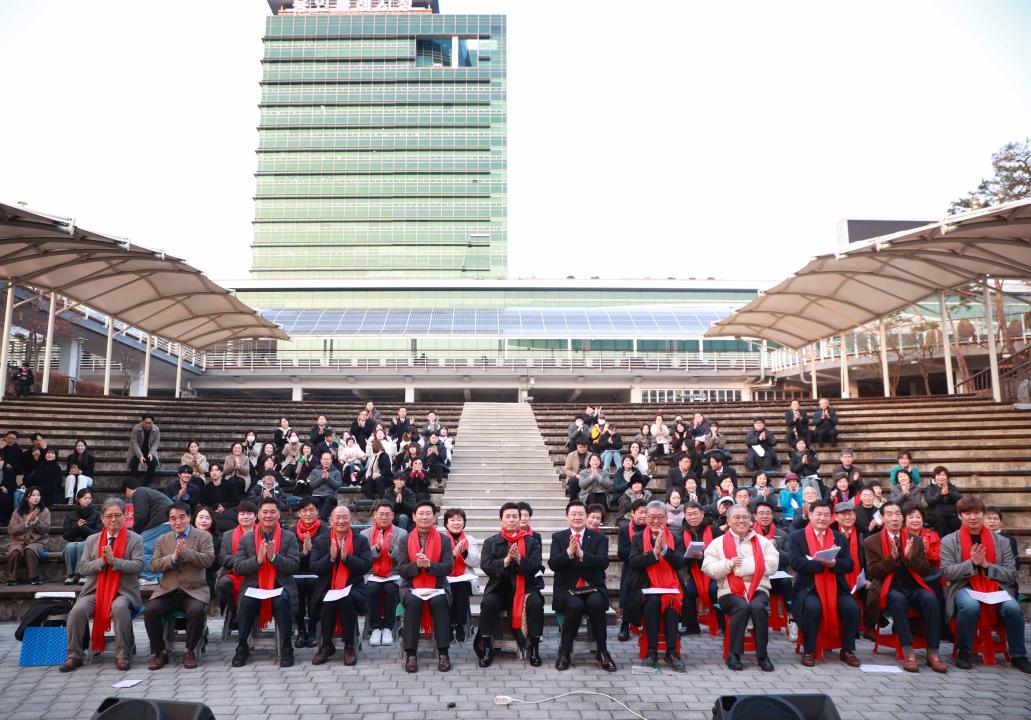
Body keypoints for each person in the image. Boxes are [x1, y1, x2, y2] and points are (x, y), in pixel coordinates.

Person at [940, 496, 1028, 673]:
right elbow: (948, 572)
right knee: (970, 606)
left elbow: (1011, 574)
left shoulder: (1002, 542)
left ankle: (1019, 655)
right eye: (967, 513)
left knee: (1013, 608)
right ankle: (965, 651)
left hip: (995, 588)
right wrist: (972, 563)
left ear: (983, 514)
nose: (973, 517)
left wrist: (986, 566)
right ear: (960, 516)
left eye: (977, 513)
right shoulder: (949, 541)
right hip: (964, 587)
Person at [60, 498, 144, 672]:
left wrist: (115, 562)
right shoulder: (92, 540)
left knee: (120, 608)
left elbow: (138, 565)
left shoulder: (135, 538)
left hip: (123, 591)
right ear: (102, 518)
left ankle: (122, 655)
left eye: (117, 515)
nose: (113, 519)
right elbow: (83, 568)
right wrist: (102, 562)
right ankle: (74, 655)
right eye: (109, 516)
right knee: (77, 610)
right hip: (96, 590)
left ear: (124, 516)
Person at [863, 501, 946, 673]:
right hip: (888, 587)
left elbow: (924, 569)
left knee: (931, 599)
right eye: (890, 514)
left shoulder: (914, 539)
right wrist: (891, 559)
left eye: (898, 514)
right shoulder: (872, 541)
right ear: (883, 518)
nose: (895, 518)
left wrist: (910, 558)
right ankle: (908, 653)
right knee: (897, 599)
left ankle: (933, 652)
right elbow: (874, 573)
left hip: (913, 585)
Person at [703, 503, 779, 671]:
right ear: (728, 521)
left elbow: (773, 564)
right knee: (742, 606)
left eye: (745, 517)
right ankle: (734, 653)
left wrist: (744, 568)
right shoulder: (718, 543)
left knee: (758, 607)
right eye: (736, 517)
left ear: (751, 520)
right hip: (729, 591)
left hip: (758, 588)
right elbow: (709, 569)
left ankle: (762, 654)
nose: (741, 521)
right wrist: (729, 564)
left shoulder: (762, 542)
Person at [788, 499, 861, 667]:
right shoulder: (797, 537)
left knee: (852, 608)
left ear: (832, 517)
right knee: (813, 607)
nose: (822, 518)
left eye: (826, 515)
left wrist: (835, 564)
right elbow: (795, 563)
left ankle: (847, 649)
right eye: (818, 514)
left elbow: (849, 565)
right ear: (811, 515)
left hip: (836, 587)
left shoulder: (839, 538)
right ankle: (809, 649)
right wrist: (819, 563)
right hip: (808, 587)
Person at [143, 502, 216, 670]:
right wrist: (173, 558)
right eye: (173, 518)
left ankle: (189, 651)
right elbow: (153, 565)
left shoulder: (203, 537)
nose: (178, 522)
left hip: (194, 589)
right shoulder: (163, 539)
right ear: (169, 521)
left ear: (189, 517)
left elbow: (209, 560)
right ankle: (159, 652)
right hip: (168, 590)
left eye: (182, 517)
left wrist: (187, 553)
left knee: (196, 611)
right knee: (150, 610)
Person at [231, 497, 301, 668]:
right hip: (254, 586)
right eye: (264, 512)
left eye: (272, 512)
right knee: (247, 601)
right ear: (258, 516)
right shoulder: (247, 539)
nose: (268, 515)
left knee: (282, 600)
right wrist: (259, 559)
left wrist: (274, 557)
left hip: (280, 585)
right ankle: (242, 645)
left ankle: (286, 645)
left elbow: (294, 566)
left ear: (279, 514)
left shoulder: (289, 537)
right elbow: (238, 568)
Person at [548, 500, 616, 672]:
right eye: (573, 514)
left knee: (596, 603)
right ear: (567, 517)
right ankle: (565, 651)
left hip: (592, 587)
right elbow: (553, 564)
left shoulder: (599, 538)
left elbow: (603, 563)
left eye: (581, 514)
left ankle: (602, 651)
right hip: (567, 590)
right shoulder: (559, 537)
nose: (577, 517)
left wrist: (582, 554)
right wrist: (569, 553)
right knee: (575, 605)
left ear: (586, 517)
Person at [475, 502, 544, 668]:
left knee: (535, 602)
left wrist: (520, 559)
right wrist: (506, 561)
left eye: (515, 516)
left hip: (525, 587)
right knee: (488, 603)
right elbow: (486, 565)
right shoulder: (491, 542)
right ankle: (487, 648)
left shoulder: (531, 542)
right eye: (508, 517)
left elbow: (536, 565)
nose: (512, 520)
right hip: (499, 588)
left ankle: (534, 648)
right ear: (501, 520)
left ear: (520, 519)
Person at [394, 501, 453, 673]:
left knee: (439, 602)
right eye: (421, 513)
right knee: (413, 602)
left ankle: (444, 653)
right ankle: (411, 654)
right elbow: (402, 570)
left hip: (438, 586)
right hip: (411, 587)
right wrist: (418, 566)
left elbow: (448, 567)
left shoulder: (444, 540)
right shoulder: (405, 539)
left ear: (434, 517)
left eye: (429, 513)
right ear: (414, 516)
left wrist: (429, 565)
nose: (425, 517)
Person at [627, 501, 687, 671]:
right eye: (652, 517)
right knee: (652, 602)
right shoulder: (638, 538)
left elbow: (680, 563)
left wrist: (666, 550)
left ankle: (671, 652)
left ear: (666, 518)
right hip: (646, 586)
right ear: (646, 518)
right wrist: (653, 553)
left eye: (660, 517)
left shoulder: (675, 538)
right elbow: (633, 562)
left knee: (670, 602)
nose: (656, 521)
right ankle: (652, 651)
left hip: (671, 586)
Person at [310, 505, 373, 666]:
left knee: (346, 600)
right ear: (331, 520)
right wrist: (330, 559)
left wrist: (347, 558)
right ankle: (326, 644)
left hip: (353, 587)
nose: (341, 521)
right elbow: (315, 568)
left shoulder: (361, 540)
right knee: (328, 601)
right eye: (337, 517)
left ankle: (349, 645)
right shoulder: (321, 540)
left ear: (350, 519)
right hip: (327, 587)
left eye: (345, 517)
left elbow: (366, 566)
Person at [361, 500, 408, 645]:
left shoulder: (402, 533)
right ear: (375, 515)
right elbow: (364, 558)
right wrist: (376, 548)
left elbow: (403, 558)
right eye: (381, 514)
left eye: (387, 514)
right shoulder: (365, 534)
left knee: (391, 589)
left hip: (393, 574)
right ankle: (375, 628)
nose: (384, 517)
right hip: (372, 573)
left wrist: (390, 549)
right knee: (373, 589)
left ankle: (388, 626)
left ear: (393, 515)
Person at [679, 501, 721, 636]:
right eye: (689, 514)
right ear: (685, 516)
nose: (693, 517)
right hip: (695, 573)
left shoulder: (714, 530)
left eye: (696, 514)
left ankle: (722, 625)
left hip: (715, 573)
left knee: (715, 590)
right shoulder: (681, 533)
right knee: (687, 592)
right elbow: (680, 559)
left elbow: (723, 553)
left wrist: (704, 556)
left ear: (702, 514)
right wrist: (691, 556)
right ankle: (691, 626)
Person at [293, 498, 329, 648]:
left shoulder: (326, 531)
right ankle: (301, 630)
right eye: (304, 511)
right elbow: (292, 560)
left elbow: (326, 557)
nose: (308, 514)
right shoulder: (290, 532)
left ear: (317, 512)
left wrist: (312, 551)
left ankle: (313, 629)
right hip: (298, 573)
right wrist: (304, 552)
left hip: (318, 573)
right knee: (297, 590)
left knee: (315, 589)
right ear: (299, 513)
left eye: (311, 510)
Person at [123, 478, 173, 585]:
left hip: (161, 522)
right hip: (167, 521)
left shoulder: (139, 492)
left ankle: (149, 577)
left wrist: (135, 532)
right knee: (157, 550)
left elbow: (140, 515)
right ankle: (158, 576)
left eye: (126, 495)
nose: (128, 498)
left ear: (127, 490)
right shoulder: (148, 492)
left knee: (141, 546)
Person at [214, 501, 257, 623]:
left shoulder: (262, 533)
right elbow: (222, 557)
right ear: (237, 516)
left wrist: (249, 563)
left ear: (256, 516)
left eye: (249, 513)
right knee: (223, 584)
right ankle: (235, 611)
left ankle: (241, 616)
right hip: (234, 573)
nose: (245, 516)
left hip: (256, 573)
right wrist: (241, 562)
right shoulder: (228, 535)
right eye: (242, 514)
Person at [444, 508, 480, 643]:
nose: (456, 523)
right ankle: (448, 625)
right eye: (452, 520)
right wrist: (453, 554)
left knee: (461, 586)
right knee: (447, 587)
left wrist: (464, 552)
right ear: (446, 523)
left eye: (459, 520)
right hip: (445, 577)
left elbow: (476, 561)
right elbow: (438, 562)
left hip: (464, 577)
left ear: (464, 522)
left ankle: (459, 625)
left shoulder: (470, 540)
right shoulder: (440, 538)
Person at [616, 500, 648, 641]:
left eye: (646, 512)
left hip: (649, 566)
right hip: (632, 567)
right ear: (632, 513)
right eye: (640, 512)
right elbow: (621, 553)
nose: (643, 515)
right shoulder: (624, 530)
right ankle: (625, 624)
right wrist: (639, 548)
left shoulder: (652, 528)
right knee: (630, 583)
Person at [5, 486, 50, 585]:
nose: (36, 497)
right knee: (15, 552)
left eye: (38, 495)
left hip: (37, 541)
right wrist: (26, 522)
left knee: (30, 550)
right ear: (27, 497)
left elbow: (46, 529)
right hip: (18, 541)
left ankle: (34, 577)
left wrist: (36, 522)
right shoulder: (17, 512)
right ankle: (13, 578)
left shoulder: (45, 511)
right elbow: (11, 530)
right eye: (33, 495)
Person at [753, 501, 792, 613]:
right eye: (761, 513)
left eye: (768, 513)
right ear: (755, 516)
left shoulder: (782, 534)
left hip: (777, 575)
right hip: (756, 575)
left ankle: (792, 617)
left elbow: (788, 560)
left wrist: (776, 550)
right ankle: (757, 620)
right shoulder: (749, 534)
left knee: (786, 582)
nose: (765, 516)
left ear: (772, 515)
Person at [62, 488, 101, 584]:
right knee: (69, 547)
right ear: (78, 499)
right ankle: (71, 575)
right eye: (85, 498)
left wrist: (83, 527)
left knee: (81, 546)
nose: (88, 500)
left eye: (89, 498)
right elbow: (66, 535)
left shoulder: (97, 514)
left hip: (89, 542)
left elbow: (98, 533)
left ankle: (84, 574)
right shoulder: (70, 515)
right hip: (73, 541)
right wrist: (76, 526)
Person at [984, 507, 1019, 595]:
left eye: (995, 518)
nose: (992, 521)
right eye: (988, 518)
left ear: (1001, 522)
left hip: (1003, 580)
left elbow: (1015, 565)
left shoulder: (1009, 540)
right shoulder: (977, 537)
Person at [200, 463, 242, 534]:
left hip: (229, 510)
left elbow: (236, 501)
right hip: (213, 512)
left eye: (216, 470)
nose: (214, 472)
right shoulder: (207, 487)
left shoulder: (229, 485)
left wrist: (224, 507)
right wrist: (215, 508)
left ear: (221, 472)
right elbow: (204, 504)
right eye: (212, 471)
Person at [924, 465, 961, 536]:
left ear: (947, 477)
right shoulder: (929, 488)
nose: (941, 477)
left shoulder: (952, 487)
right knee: (940, 521)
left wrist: (949, 492)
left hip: (950, 513)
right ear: (934, 477)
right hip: (935, 514)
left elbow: (959, 499)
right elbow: (930, 501)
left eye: (943, 475)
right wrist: (940, 494)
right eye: (938, 475)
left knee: (956, 521)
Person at [127, 413, 160, 485]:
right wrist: (140, 456)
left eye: (150, 423)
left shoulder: (156, 429)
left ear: (153, 422)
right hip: (137, 451)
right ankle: (135, 483)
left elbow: (156, 443)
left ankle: (147, 483)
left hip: (149, 451)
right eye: (146, 423)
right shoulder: (136, 428)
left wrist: (151, 453)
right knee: (133, 463)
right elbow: (134, 443)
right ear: (142, 421)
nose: (148, 425)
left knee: (153, 463)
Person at [192, 507, 217, 598]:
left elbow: (214, 565)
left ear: (212, 521)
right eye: (201, 517)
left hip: (207, 576)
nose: (204, 521)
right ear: (194, 518)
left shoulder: (217, 539)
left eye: (207, 518)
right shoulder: (184, 536)